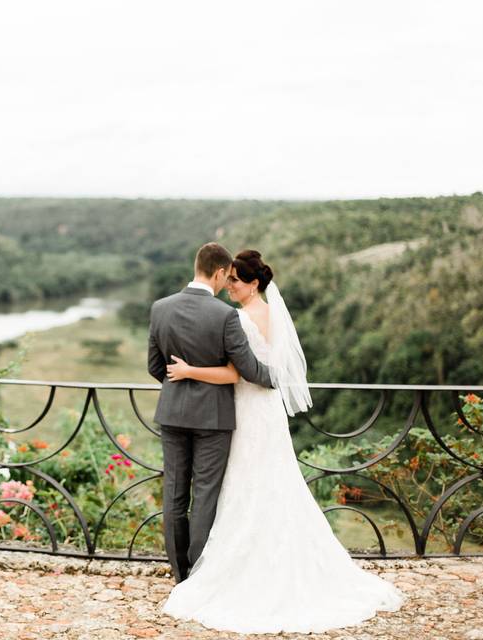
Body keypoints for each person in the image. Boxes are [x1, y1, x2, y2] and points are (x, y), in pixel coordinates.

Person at [160, 249, 406, 634]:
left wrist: (189, 369)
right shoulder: (269, 314)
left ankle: (217, 570)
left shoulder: (235, 317)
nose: (229, 286)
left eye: (236, 282)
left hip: (240, 409)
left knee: (237, 486)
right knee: (263, 485)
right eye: (228, 279)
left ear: (253, 284)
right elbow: (267, 371)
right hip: (261, 413)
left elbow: (241, 374)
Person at [147, 242, 275, 585]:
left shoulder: (160, 308)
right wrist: (278, 377)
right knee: (204, 495)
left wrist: (181, 388)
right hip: (213, 419)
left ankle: (179, 574)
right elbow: (249, 369)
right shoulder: (225, 315)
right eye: (226, 277)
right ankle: (198, 576)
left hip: (172, 414)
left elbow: (154, 367)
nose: (226, 284)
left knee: (174, 492)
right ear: (219, 272)